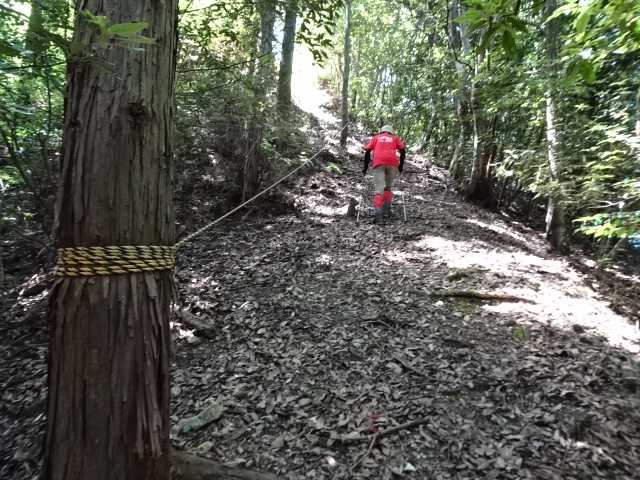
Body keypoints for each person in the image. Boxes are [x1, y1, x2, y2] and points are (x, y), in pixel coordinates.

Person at [362, 125, 406, 222]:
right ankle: (387, 211)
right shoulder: (395, 138)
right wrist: (401, 166)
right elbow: (403, 150)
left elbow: (367, 151)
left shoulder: (376, 137)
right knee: (388, 188)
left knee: (379, 189)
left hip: (378, 163)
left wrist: (365, 168)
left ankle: (378, 214)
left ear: (381, 131)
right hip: (392, 164)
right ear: (391, 131)